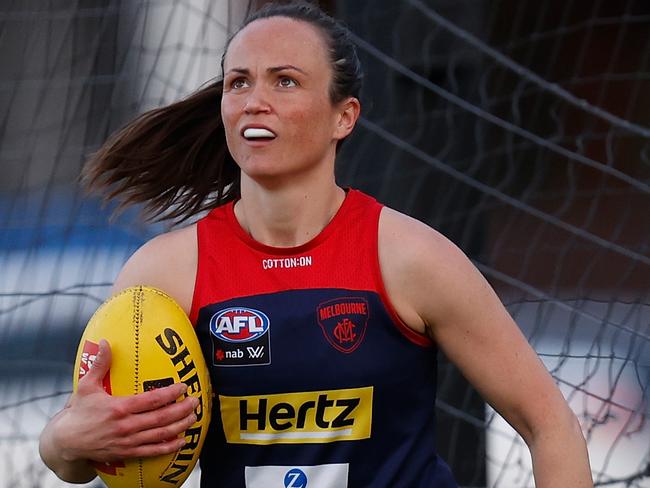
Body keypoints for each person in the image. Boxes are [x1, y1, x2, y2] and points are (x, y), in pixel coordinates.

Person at [39, 1, 593, 486]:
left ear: (343, 117)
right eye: (239, 82)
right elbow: (75, 452)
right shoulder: (163, 273)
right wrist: (66, 440)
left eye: (285, 81)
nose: (256, 100)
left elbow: (551, 425)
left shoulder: (410, 256)